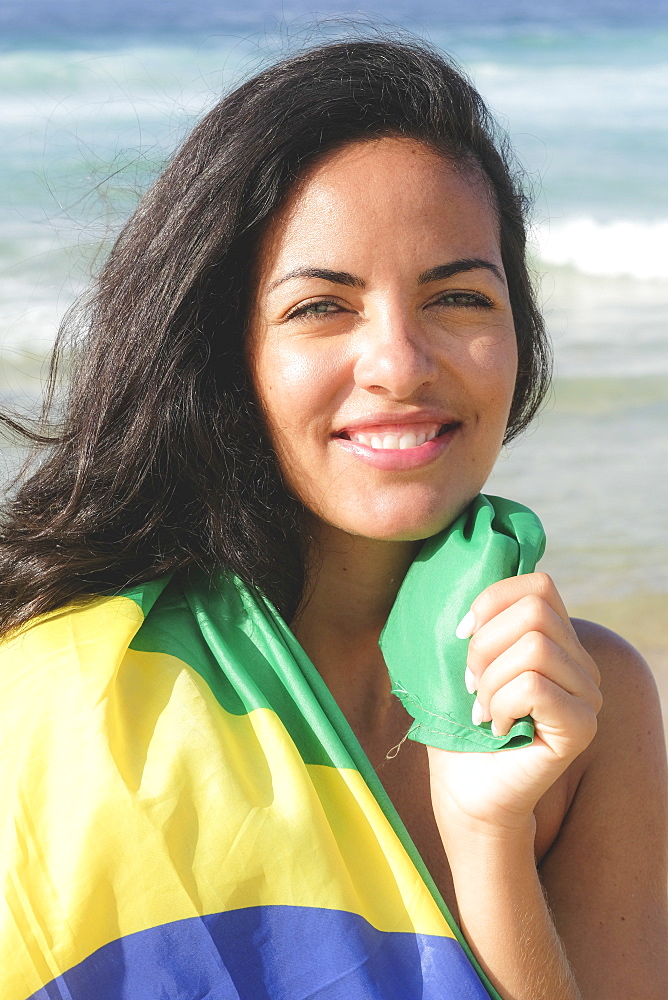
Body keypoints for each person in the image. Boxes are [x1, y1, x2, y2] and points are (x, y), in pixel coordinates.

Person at [0, 37, 665, 1000]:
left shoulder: (587, 703)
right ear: (229, 355)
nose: (400, 364)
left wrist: (487, 835)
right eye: (321, 306)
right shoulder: (64, 706)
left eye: (460, 297)